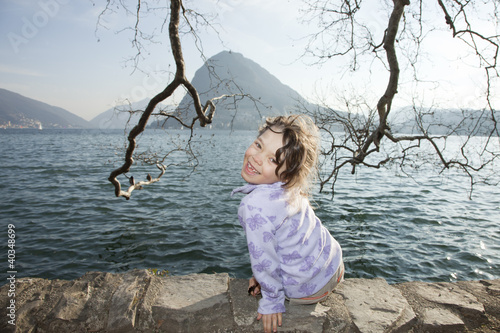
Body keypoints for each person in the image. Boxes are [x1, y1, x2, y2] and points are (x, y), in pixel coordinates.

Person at [231, 115, 344, 333]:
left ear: (286, 175)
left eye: (273, 160)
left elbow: (264, 259)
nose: (257, 158)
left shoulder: (254, 206)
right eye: (258, 145)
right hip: (334, 262)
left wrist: (272, 300)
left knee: (265, 266)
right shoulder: (290, 187)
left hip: (311, 287)